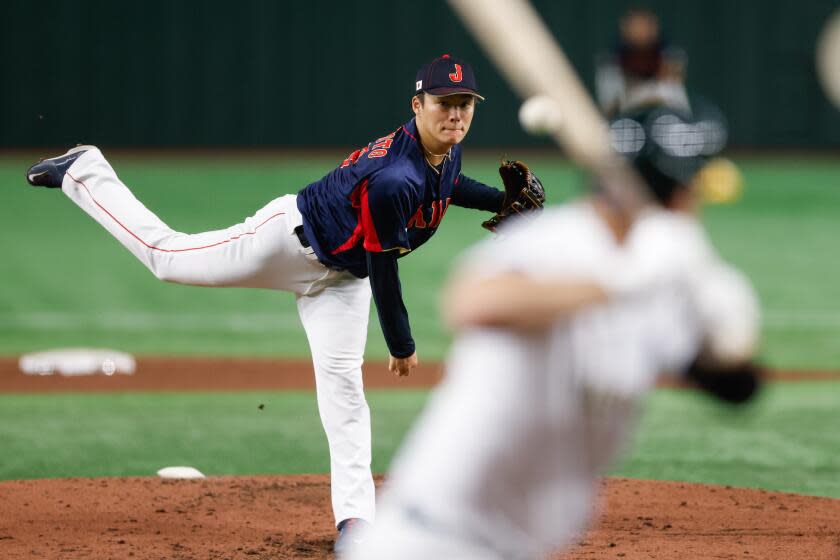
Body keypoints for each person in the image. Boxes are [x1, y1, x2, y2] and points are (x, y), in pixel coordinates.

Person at [24, 54, 520, 552]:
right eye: (444, 104)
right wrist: (401, 342)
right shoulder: (394, 179)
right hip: (286, 243)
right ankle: (84, 171)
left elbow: (447, 185)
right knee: (165, 257)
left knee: (345, 395)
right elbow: (385, 267)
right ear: (418, 105)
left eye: (465, 105)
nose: (456, 115)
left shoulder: (442, 149)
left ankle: (356, 523)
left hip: (343, 281)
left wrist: (500, 201)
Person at [342, 106, 762, 559]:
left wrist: (729, 333)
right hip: (429, 543)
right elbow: (473, 303)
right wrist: (619, 281)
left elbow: (734, 389)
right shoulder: (558, 240)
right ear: (675, 191)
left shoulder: (665, 268)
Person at [595, 8, 691, 117]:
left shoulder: (667, 50)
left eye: (645, 25)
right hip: (627, 111)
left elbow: (672, 84)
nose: (640, 30)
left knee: (670, 91)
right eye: (635, 25)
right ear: (625, 28)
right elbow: (611, 104)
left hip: (665, 111)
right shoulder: (612, 56)